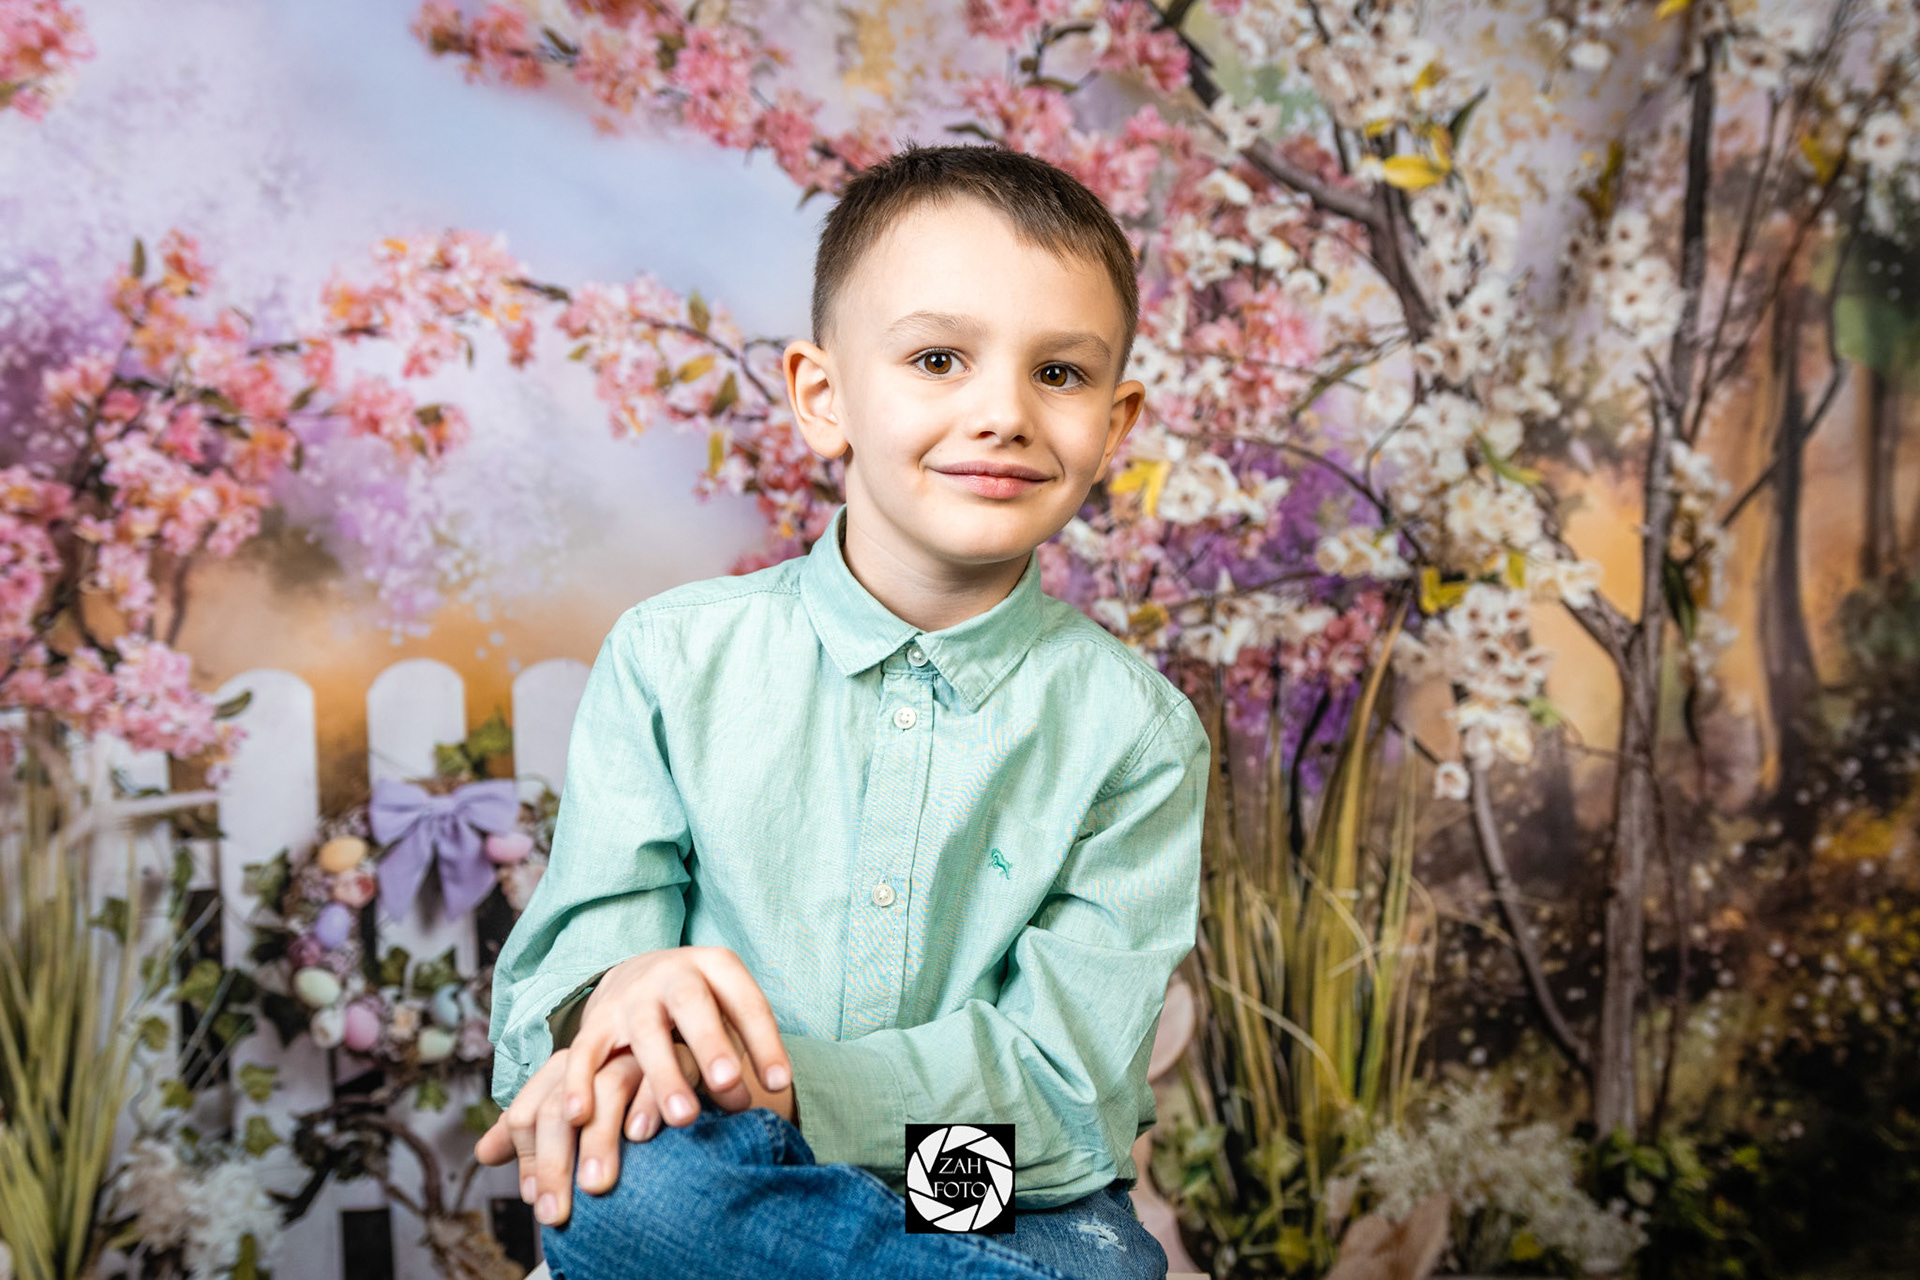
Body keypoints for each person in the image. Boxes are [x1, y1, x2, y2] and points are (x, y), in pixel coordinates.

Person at [476, 142, 1211, 1280]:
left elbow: (1065, 1089)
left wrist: (803, 1091)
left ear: (1114, 426)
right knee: (626, 1193)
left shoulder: (1137, 734)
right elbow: (562, 993)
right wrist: (617, 997)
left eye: (1059, 373)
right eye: (938, 358)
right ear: (825, 398)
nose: (1005, 412)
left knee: (1100, 1255)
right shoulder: (674, 658)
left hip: (979, 1169)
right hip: (728, 1143)